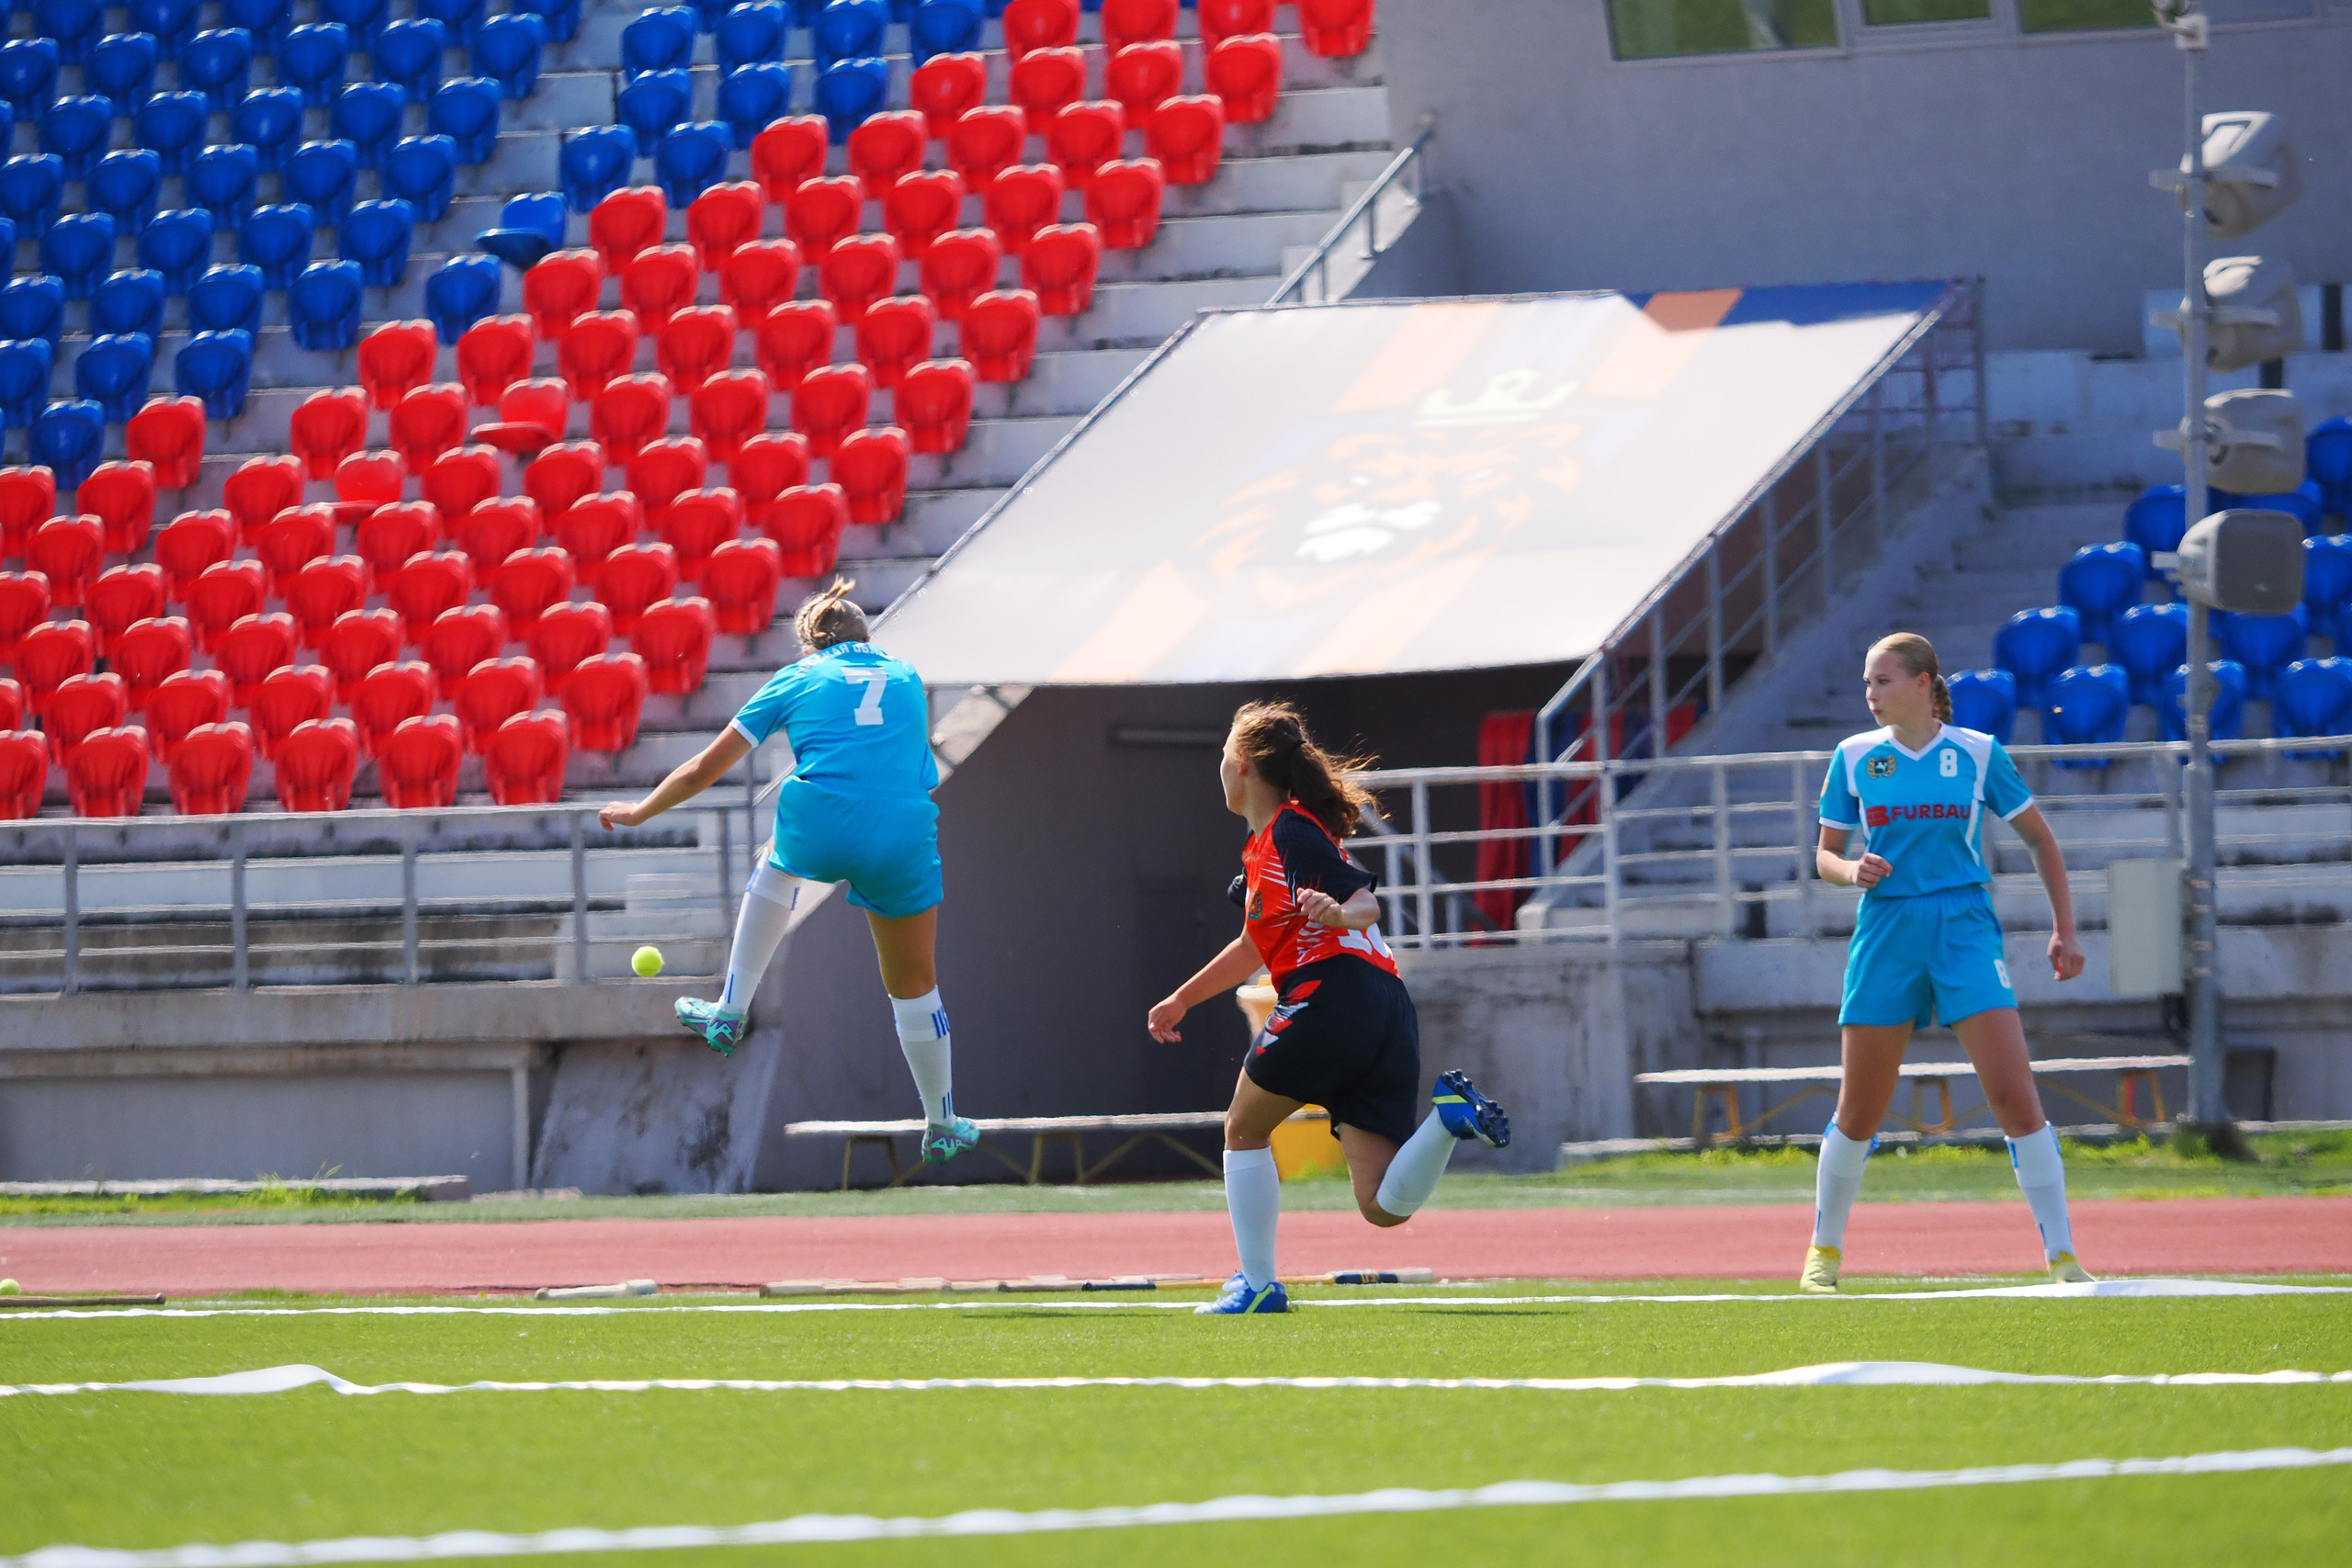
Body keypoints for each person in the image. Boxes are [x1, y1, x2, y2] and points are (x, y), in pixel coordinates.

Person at [1148, 700, 1510, 1315]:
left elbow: (1365, 904)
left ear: (1240, 766)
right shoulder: (1270, 846)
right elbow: (1251, 946)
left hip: (1331, 996)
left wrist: (1340, 912)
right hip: (1386, 1007)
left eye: (1221, 757)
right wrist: (1182, 998)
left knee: (1243, 1128)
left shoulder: (1291, 830)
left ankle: (1258, 1284)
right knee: (1381, 1204)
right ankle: (1447, 1120)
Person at [598, 581, 977, 1165]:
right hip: (903, 830)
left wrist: (640, 810)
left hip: (824, 820)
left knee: (778, 861)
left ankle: (729, 1010)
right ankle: (943, 1121)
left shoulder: (797, 678)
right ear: (867, 636)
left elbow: (703, 769)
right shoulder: (905, 675)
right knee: (915, 984)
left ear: (808, 646)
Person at [1806, 632, 2092, 1292]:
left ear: (1923, 682)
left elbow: (2041, 840)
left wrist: (2065, 931)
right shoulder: (1853, 757)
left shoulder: (1977, 752)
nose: (1870, 694)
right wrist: (1851, 870)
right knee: (1859, 1110)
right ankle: (1823, 1251)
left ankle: (2064, 1257)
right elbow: (1824, 855)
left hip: (1964, 927)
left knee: (2016, 1099)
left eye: (1881, 681)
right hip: (1886, 928)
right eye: (1867, 682)